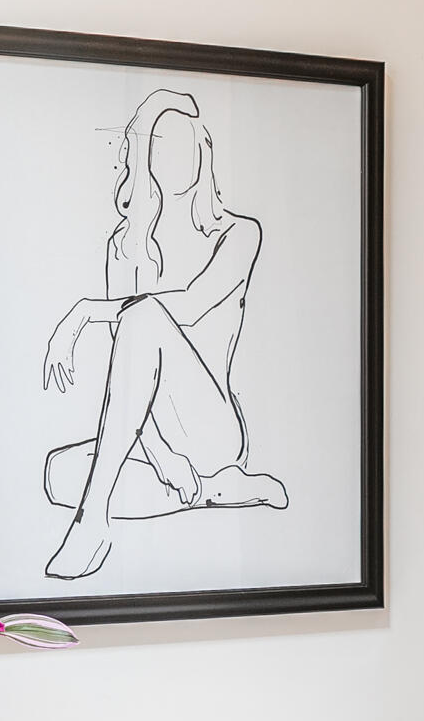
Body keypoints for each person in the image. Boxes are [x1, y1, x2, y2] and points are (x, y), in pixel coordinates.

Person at [41, 88, 287, 580]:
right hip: (155, 434)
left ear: (203, 145)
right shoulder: (126, 247)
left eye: (182, 137)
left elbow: (192, 304)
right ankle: (215, 491)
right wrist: (162, 454)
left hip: (214, 428)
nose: (173, 152)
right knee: (56, 474)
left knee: (146, 314)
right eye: (158, 140)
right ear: (142, 155)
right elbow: (128, 374)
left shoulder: (238, 234)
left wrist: (90, 310)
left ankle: (93, 522)